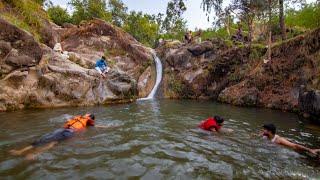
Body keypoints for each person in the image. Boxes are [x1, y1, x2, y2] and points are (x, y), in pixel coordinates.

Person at [9, 114, 111, 160]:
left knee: (44, 139)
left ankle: (22, 151)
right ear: (91, 118)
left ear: (88, 116)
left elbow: (68, 118)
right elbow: (96, 126)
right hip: (68, 132)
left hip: (63, 129)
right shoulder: (87, 121)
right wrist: (108, 126)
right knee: (52, 143)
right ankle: (31, 154)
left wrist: (106, 126)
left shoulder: (81, 117)